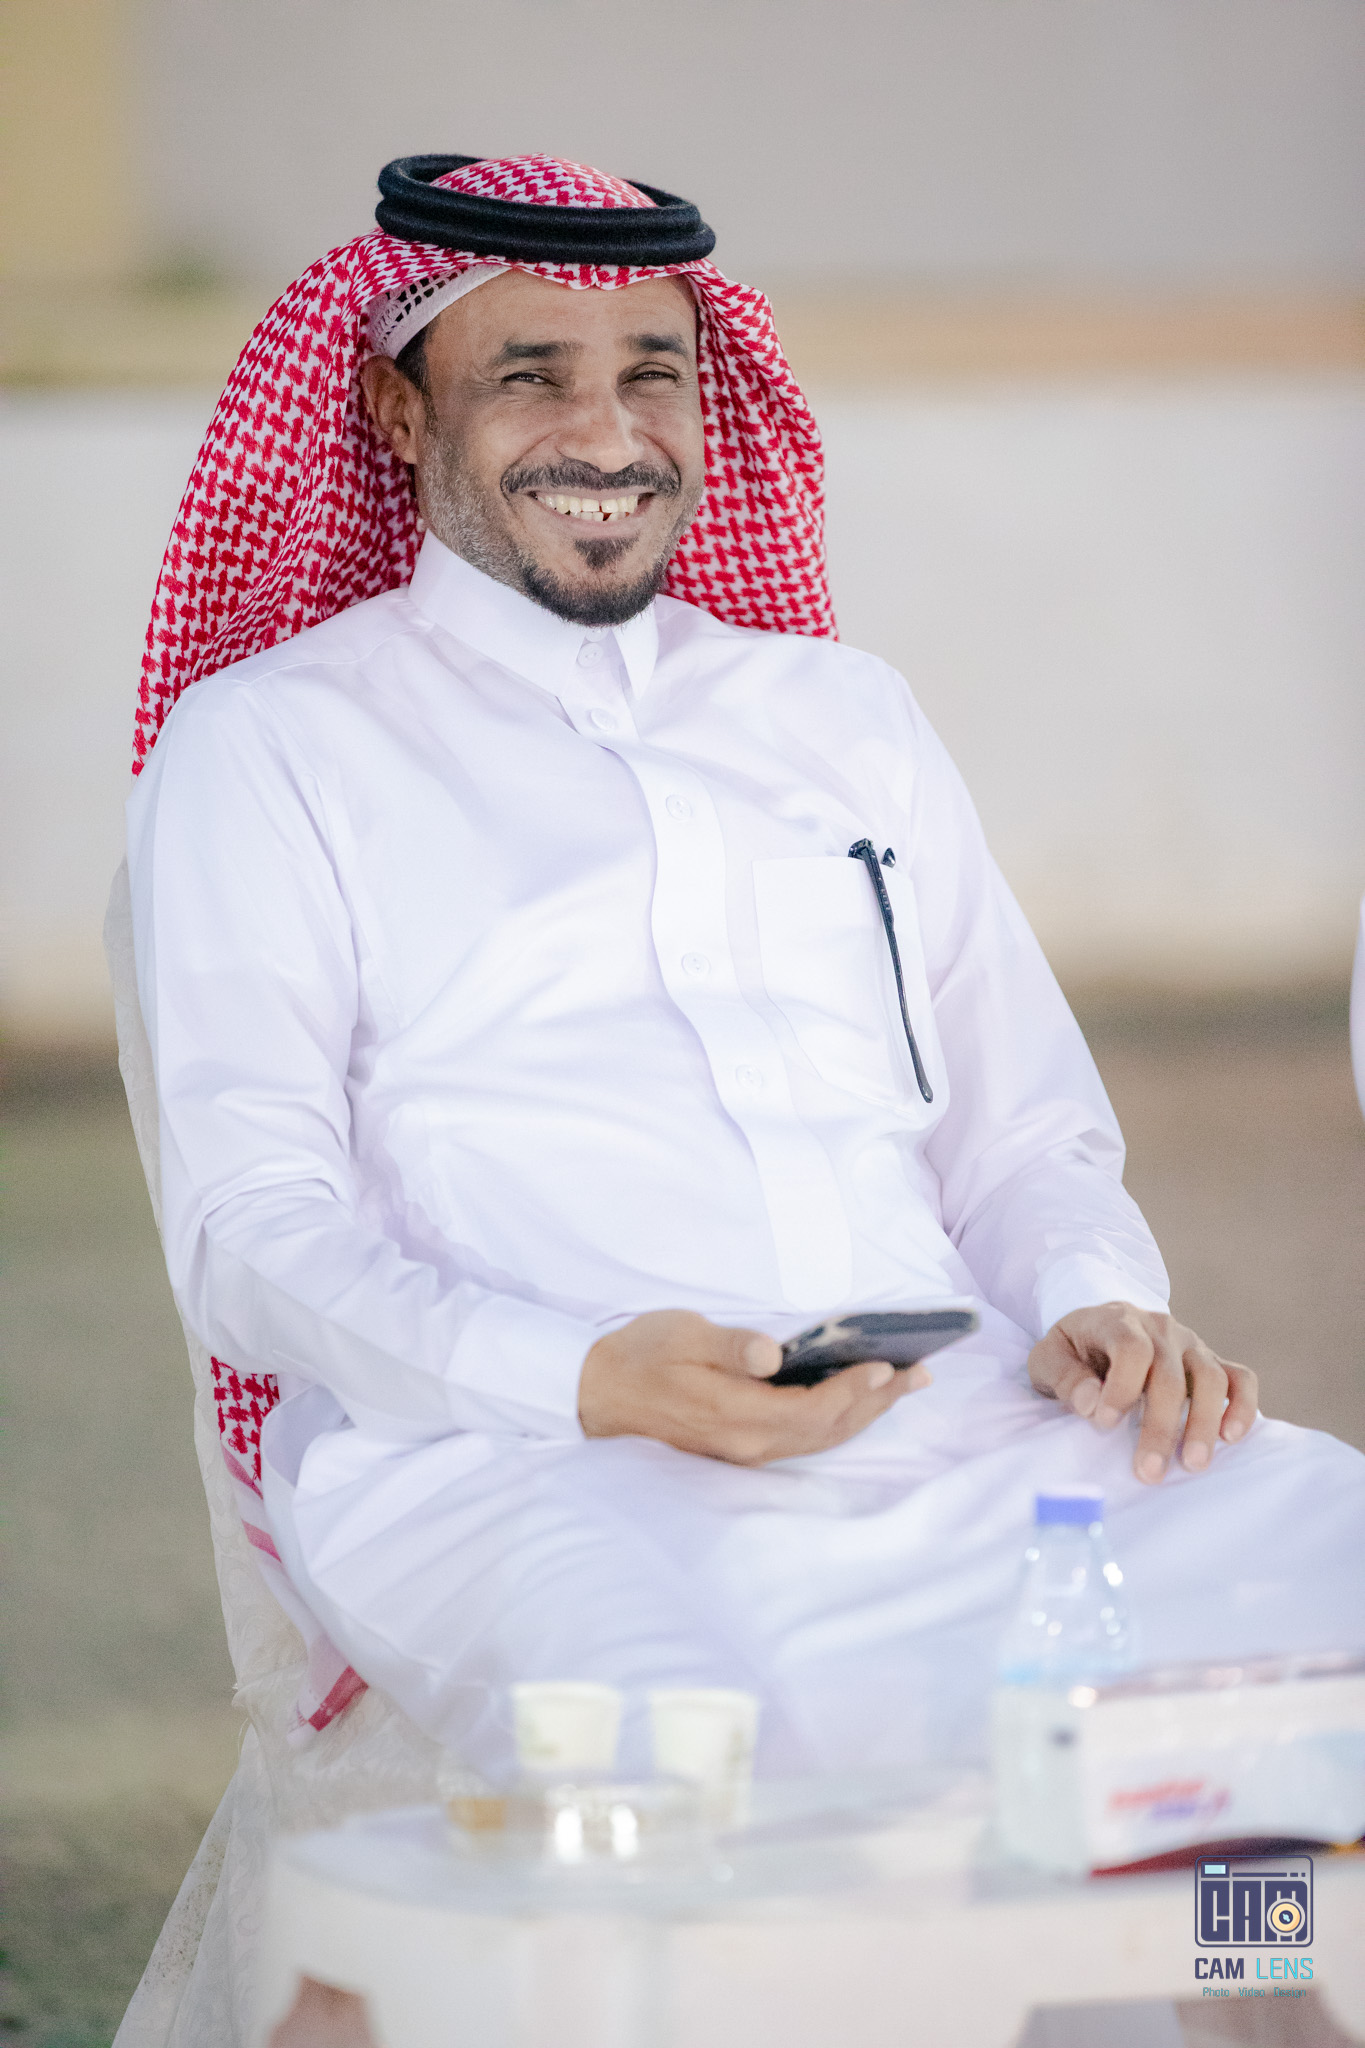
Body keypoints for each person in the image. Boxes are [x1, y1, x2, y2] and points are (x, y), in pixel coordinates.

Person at [127, 153, 1363, 1782]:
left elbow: (1016, 1132)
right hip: (528, 1466)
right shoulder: (273, 745)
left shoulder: (841, 714)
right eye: (530, 377)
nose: (610, 436)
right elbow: (252, 1233)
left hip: (971, 1423)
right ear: (396, 413)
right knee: (745, 1778)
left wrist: (1093, 1301)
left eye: (654, 374)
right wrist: (585, 1378)